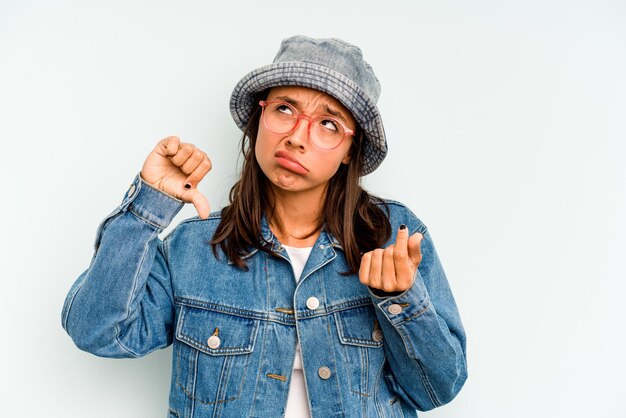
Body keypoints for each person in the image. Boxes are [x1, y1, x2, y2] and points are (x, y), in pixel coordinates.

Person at [61, 35, 467, 418]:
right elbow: (97, 331)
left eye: (328, 124)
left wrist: (399, 299)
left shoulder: (393, 235)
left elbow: (435, 388)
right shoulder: (194, 247)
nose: (296, 137)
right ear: (259, 119)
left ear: (350, 150)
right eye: (285, 110)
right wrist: (148, 205)